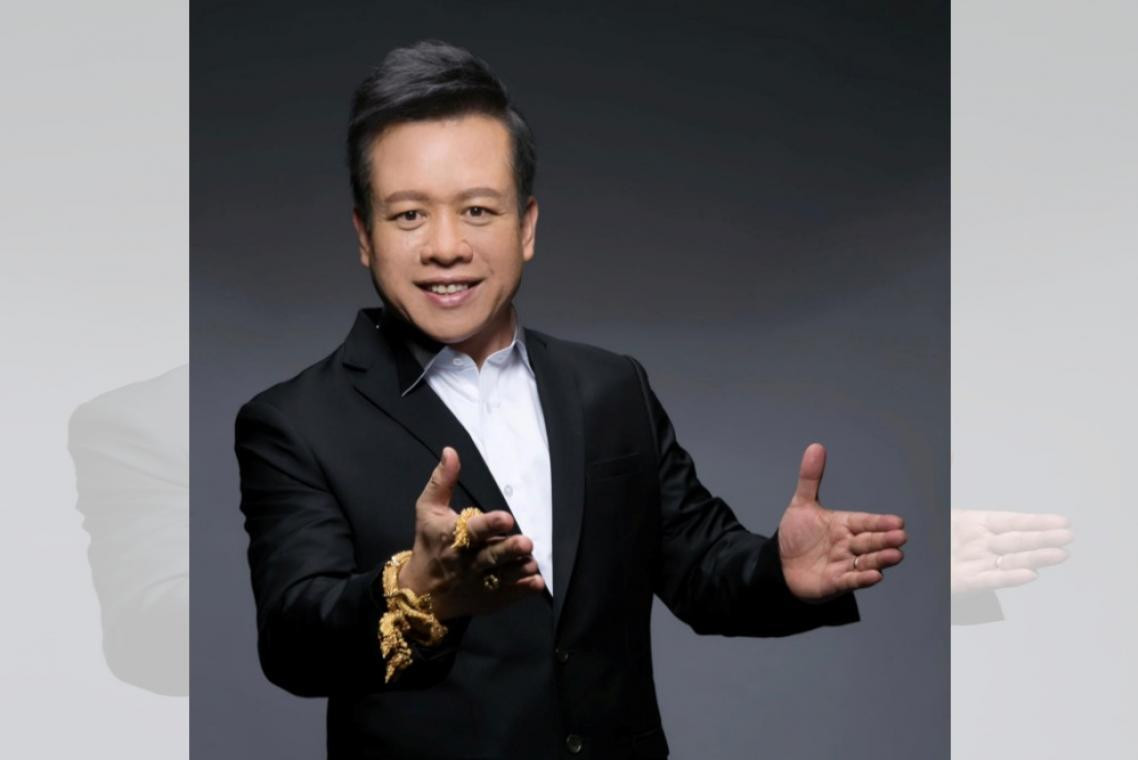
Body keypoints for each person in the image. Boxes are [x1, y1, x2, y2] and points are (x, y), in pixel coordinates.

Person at [235, 39, 907, 759]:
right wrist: (416, 591)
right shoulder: (294, 422)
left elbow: (701, 567)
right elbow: (294, 643)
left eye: (478, 210)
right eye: (408, 216)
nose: (446, 246)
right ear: (365, 236)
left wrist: (782, 572)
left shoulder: (610, 388)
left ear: (526, 227)